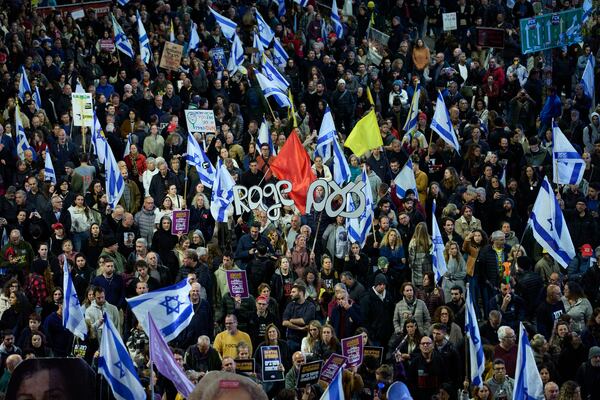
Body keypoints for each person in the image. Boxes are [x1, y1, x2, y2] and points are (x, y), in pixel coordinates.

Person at [282, 283, 316, 352]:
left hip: (307, 339)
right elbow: (284, 322)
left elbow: (303, 321)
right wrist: (300, 328)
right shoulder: (290, 305)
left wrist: (291, 320)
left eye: (293, 292)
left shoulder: (310, 306)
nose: (291, 294)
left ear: (300, 293)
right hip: (292, 340)